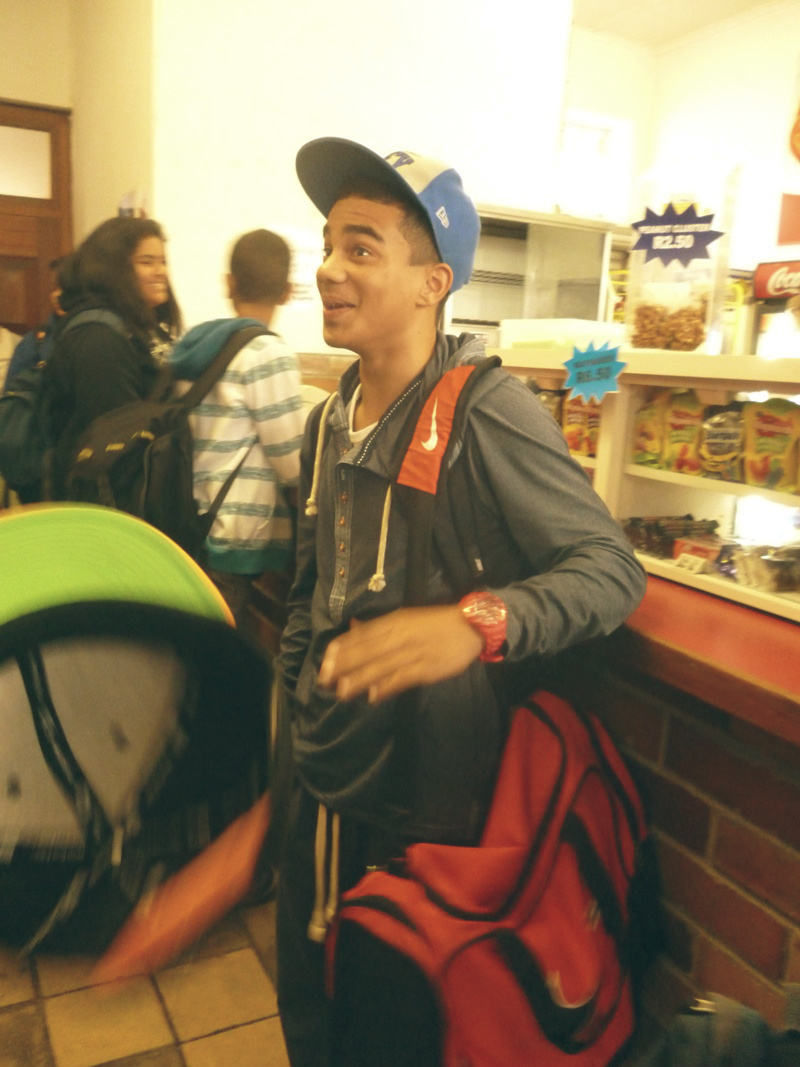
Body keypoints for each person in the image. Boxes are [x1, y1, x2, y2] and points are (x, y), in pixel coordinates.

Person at [276, 137, 648, 1067]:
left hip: (424, 815)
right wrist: (287, 736)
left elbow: (610, 568)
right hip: (320, 784)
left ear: (432, 283)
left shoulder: (487, 409)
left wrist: (474, 623)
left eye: (361, 247)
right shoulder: (329, 418)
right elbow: (312, 598)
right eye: (328, 245)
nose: (328, 269)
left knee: (392, 1033)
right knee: (312, 1016)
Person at [169, 229, 305, 626]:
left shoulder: (199, 345)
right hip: (235, 531)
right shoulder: (268, 354)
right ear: (287, 292)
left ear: (229, 284)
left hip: (190, 517)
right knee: (217, 643)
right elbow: (292, 464)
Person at [43, 217, 182, 498]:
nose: (161, 272)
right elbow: (114, 446)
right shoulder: (98, 337)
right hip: (107, 507)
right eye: (147, 262)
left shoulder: (139, 327)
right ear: (112, 269)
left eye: (163, 261)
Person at [3, 258, 67, 388]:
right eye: (54, 287)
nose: (57, 295)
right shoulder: (37, 340)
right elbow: (12, 391)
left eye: (65, 288)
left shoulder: (96, 334)